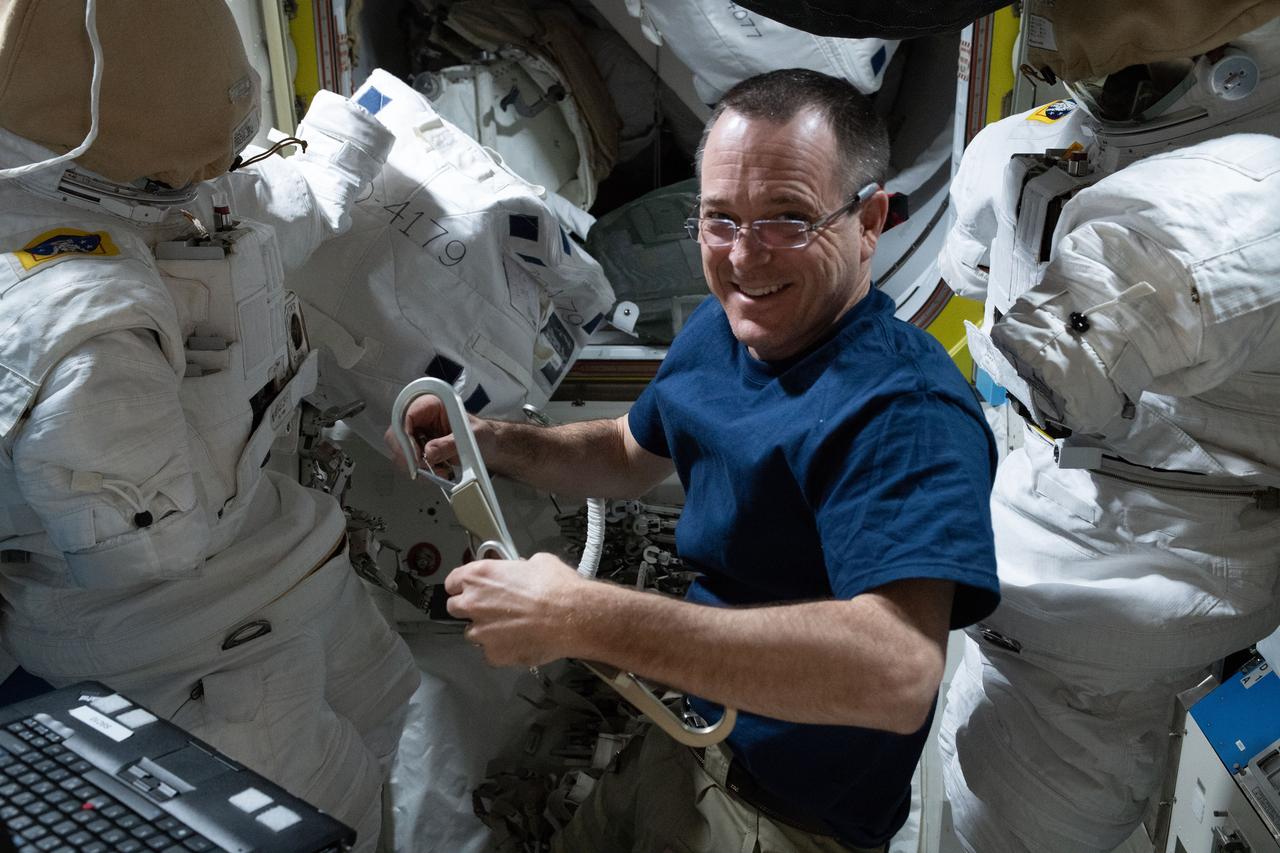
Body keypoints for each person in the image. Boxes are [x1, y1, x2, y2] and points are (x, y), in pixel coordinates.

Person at [392, 68, 1000, 853]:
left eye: (787, 219)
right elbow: (627, 452)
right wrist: (496, 442)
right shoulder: (726, 329)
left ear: (871, 220)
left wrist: (582, 616)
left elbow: (896, 674)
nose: (745, 258)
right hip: (683, 740)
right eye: (720, 220)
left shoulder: (902, 411)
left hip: (780, 820)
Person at [0, 2, 418, 847]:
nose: (204, 181)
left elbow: (268, 202)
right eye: (178, 175)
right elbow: (146, 545)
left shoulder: (148, 191)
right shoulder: (77, 314)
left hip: (301, 588)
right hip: (200, 666)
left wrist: (357, 125)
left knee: (396, 775)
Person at [937, 10, 1280, 852]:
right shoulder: (1045, 143)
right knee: (964, 749)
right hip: (1036, 519)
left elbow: (1074, 346)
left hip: (1131, 570)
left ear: (1232, 70)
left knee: (1016, 819)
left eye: (1133, 78)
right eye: (1088, 78)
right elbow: (970, 262)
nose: (1105, 97)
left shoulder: (1246, 195)